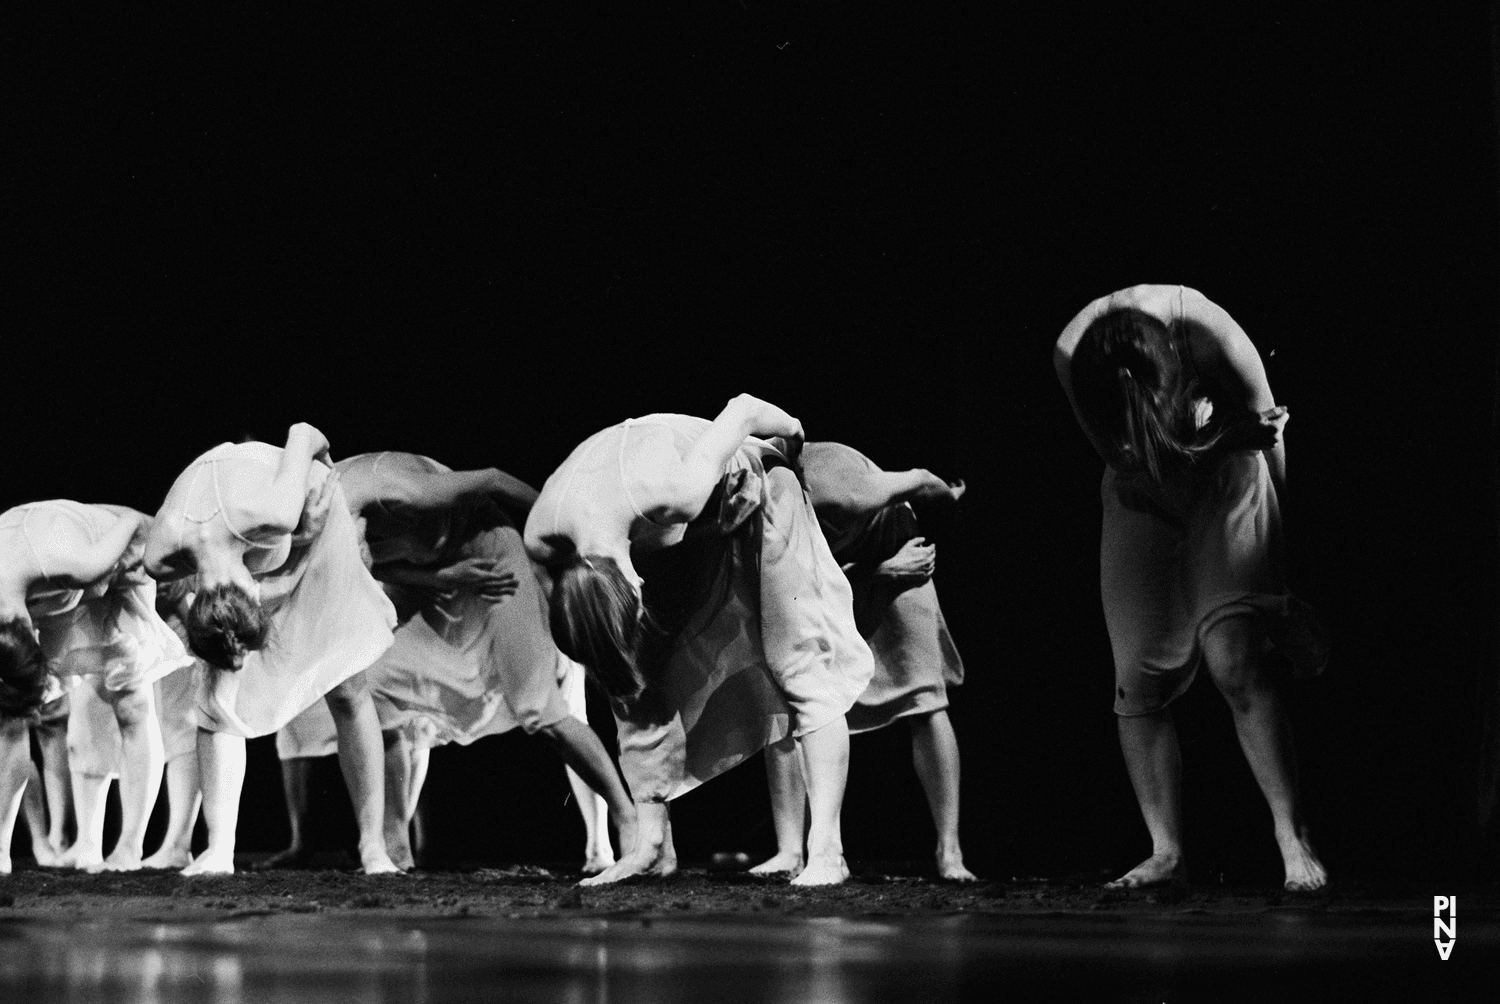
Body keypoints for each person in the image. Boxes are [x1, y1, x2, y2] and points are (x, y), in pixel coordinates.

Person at [525, 394, 875, 887]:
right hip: (688, 530)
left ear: (636, 583)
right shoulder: (541, 539)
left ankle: (827, 851)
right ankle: (650, 844)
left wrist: (795, 441)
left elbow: (745, 409)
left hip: (757, 491)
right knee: (628, 674)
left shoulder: (674, 493)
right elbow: (609, 661)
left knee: (796, 658)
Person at [1054, 284, 1329, 891]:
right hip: (1148, 482)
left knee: (1234, 657)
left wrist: (1274, 571)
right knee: (1135, 674)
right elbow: (1129, 463)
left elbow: (1267, 434)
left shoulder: (1212, 333)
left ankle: (1292, 836)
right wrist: (1218, 439)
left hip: (1229, 476)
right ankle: (1167, 852)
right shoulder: (1073, 353)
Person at [262, 452, 632, 873]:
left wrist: (568, 535)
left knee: (536, 705)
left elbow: (493, 477)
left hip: (490, 556)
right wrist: (443, 578)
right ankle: (395, 847)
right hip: (439, 576)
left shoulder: (404, 492)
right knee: (378, 688)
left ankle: (626, 817)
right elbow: (379, 567)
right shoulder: (318, 527)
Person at [144, 423, 399, 875]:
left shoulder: (277, 512)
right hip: (252, 537)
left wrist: (314, 495)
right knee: (215, 696)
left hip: (309, 512)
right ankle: (218, 850)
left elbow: (306, 432)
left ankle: (374, 847)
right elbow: (202, 600)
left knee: (345, 687)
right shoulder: (160, 555)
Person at [751, 441, 975, 881]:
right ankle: (789, 849)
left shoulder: (841, 490)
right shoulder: (758, 508)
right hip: (848, 574)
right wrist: (875, 572)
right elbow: (803, 583)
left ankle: (950, 851)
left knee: (925, 699)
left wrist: (947, 497)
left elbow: (921, 477)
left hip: (898, 553)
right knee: (787, 704)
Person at [0, 501, 194, 874]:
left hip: (112, 558)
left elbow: (136, 522)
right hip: (48, 586)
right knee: (11, 722)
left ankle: (129, 847)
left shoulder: (79, 562)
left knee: (131, 704)